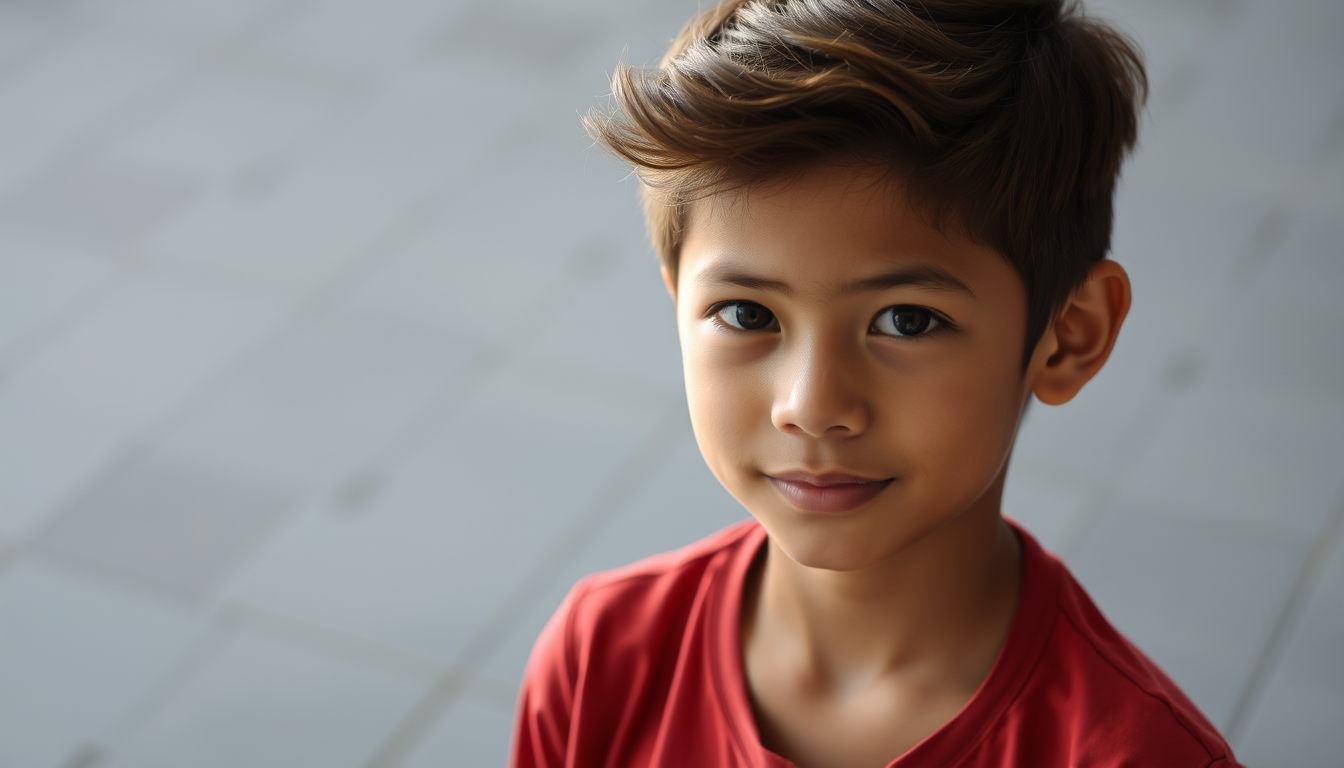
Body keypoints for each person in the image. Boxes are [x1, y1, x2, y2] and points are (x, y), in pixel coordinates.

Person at [511, 1, 1243, 765]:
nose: (813, 407)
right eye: (746, 312)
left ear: (1069, 336)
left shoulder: (1143, 755)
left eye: (907, 322)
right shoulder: (598, 663)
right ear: (678, 306)